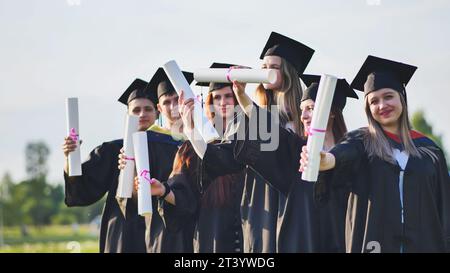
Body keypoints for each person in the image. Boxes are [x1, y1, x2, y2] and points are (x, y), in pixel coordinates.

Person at [300, 55, 450, 253]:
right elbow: (341, 155)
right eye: (374, 101)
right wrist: (324, 160)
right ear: (368, 109)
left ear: (401, 98)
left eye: (388, 97)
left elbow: (444, 210)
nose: (382, 106)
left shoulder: (430, 151)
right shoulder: (362, 142)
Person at [232, 74, 358, 252]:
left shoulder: (353, 152)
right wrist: (242, 96)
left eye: (311, 108)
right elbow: (268, 128)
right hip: (300, 243)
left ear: (330, 112)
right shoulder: (297, 150)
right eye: (302, 109)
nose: (303, 116)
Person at [140, 62, 246, 253]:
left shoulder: (250, 140)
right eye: (217, 98)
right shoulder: (189, 149)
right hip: (211, 233)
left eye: (228, 96)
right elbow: (183, 194)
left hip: (250, 224)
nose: (222, 103)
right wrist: (164, 190)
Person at [234, 31, 315, 252]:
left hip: (293, 199)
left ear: (287, 73)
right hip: (261, 199)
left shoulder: (306, 118)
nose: (266, 72)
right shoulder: (254, 115)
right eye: (264, 67)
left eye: (274, 67)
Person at [63, 78, 158, 253]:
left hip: (159, 233)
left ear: (157, 113)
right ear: (127, 115)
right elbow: (81, 189)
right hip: (122, 233)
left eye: (148, 109)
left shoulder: (170, 148)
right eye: (136, 110)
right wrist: (70, 159)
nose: (142, 114)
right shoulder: (112, 150)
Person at [117, 68, 195, 253]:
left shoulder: (202, 138)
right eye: (167, 102)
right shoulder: (145, 142)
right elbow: (128, 202)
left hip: (202, 225)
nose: (173, 106)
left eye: (177, 99)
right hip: (165, 230)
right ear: (159, 108)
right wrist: (130, 169)